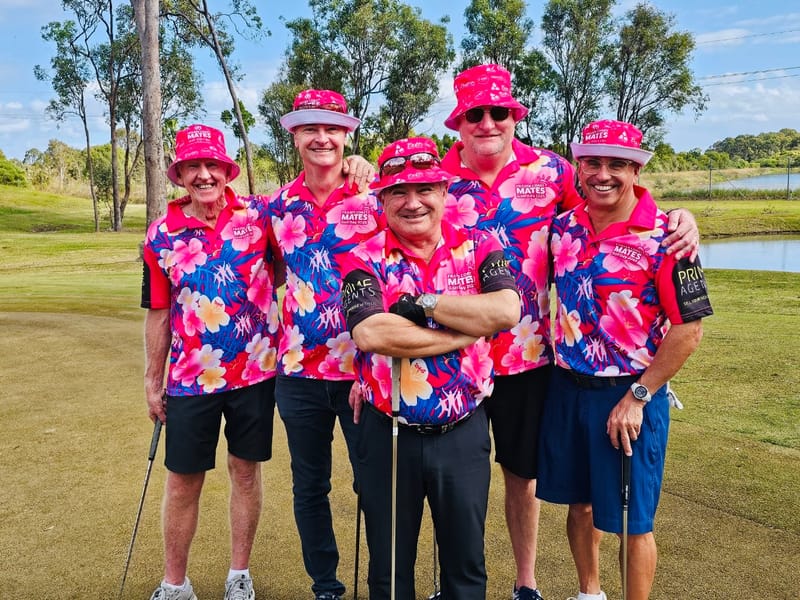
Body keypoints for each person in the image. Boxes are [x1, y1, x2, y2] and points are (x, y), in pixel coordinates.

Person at [439, 63, 700, 600]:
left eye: (498, 112)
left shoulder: (553, 171)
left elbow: (617, 201)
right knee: (457, 481)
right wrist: (354, 167)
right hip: (452, 357)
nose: (487, 122)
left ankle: (526, 584)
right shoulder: (434, 179)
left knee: (526, 477)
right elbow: (390, 223)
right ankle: (470, 585)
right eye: (475, 113)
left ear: (514, 116)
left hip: (532, 360)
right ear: (458, 121)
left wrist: (679, 215)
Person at [536, 119, 714, 600]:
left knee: (634, 521)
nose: (603, 174)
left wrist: (639, 396)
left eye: (617, 164)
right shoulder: (562, 228)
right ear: (579, 167)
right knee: (580, 505)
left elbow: (689, 330)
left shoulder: (668, 237)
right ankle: (589, 593)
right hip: (568, 386)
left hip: (631, 392)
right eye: (592, 163)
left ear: (636, 170)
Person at [340, 136, 521, 599]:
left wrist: (424, 304)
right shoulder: (362, 257)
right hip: (388, 433)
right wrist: (462, 332)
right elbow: (371, 333)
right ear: (382, 199)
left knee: (465, 567)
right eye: (398, 192)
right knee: (389, 570)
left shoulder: (480, 244)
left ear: (443, 192)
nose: (413, 202)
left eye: (424, 189)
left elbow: (505, 310)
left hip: (463, 431)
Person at [141, 124, 280, 600]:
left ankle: (239, 575)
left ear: (226, 170)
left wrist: (353, 167)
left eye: (211, 165)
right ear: (179, 175)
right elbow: (159, 312)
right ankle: (175, 583)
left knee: (245, 472)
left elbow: (287, 259)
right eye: (192, 167)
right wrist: (152, 380)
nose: (204, 175)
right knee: (183, 482)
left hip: (255, 373)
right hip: (189, 379)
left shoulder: (259, 216)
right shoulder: (160, 234)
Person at [268, 89, 379, 600]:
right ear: (294, 136)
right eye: (310, 128)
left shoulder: (373, 195)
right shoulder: (276, 206)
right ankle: (326, 586)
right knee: (310, 486)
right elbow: (268, 269)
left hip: (364, 371)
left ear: (346, 136)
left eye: (332, 128)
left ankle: (383, 583)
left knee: (372, 484)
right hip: (298, 372)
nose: (322, 138)